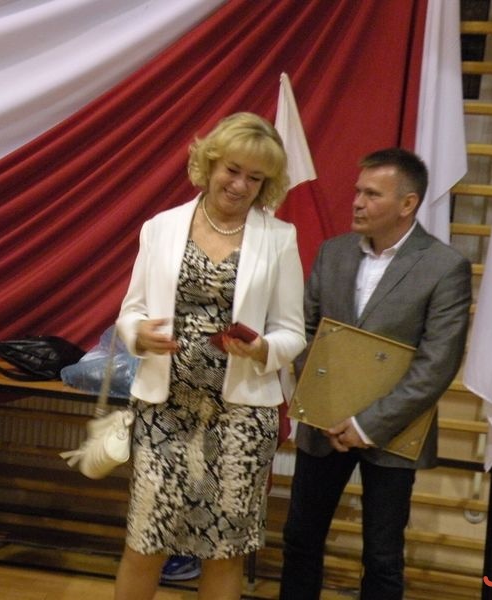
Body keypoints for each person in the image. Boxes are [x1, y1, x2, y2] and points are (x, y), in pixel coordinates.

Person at [114, 112, 306, 600]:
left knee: (224, 550)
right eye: (232, 170)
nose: (240, 185)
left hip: (242, 418)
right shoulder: (161, 227)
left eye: (254, 178)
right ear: (210, 163)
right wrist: (140, 336)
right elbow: (130, 313)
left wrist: (263, 348)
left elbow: (293, 332)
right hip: (163, 410)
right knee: (145, 540)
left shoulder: (280, 238)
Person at [279, 148, 472, 600]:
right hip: (323, 426)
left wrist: (367, 424)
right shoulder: (333, 252)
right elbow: (305, 331)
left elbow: (438, 363)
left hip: (393, 432)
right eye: (357, 192)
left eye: (371, 194)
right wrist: (325, 404)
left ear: (408, 203)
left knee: (382, 557)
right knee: (300, 540)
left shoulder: (445, 267)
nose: (357, 202)